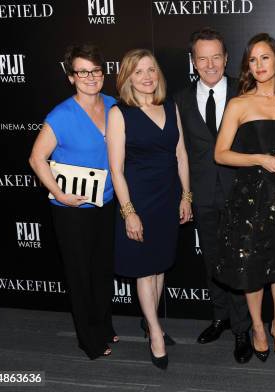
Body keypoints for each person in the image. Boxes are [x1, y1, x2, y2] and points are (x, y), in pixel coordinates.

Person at [214, 33, 275, 363]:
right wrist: (260, 158)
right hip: (251, 199)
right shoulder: (239, 104)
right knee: (252, 268)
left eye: (265, 58)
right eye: (252, 60)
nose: (258, 65)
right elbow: (221, 154)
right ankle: (258, 327)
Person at [28, 43, 118, 360]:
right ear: (71, 77)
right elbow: (37, 159)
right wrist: (62, 194)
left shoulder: (114, 105)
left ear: (103, 73)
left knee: (103, 270)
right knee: (80, 274)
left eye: (95, 70)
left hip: (107, 204)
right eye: (82, 72)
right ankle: (89, 340)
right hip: (72, 210)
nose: (90, 77)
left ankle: (104, 326)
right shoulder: (61, 115)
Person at [106, 49, 192, 370]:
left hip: (168, 198)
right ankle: (155, 331)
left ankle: (149, 321)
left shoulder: (170, 107)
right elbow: (116, 168)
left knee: (158, 267)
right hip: (139, 200)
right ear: (127, 77)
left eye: (152, 70)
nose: (147, 77)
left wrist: (187, 195)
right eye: (139, 71)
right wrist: (129, 212)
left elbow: (181, 154)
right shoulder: (120, 113)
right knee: (145, 269)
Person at [174, 27, 252, 363]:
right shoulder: (179, 99)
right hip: (203, 195)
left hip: (240, 194)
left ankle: (242, 328)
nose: (210, 64)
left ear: (226, 58)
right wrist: (186, 195)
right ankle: (220, 317)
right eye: (202, 58)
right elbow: (180, 152)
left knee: (239, 264)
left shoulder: (244, 92)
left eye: (215, 57)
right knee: (212, 261)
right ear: (193, 61)